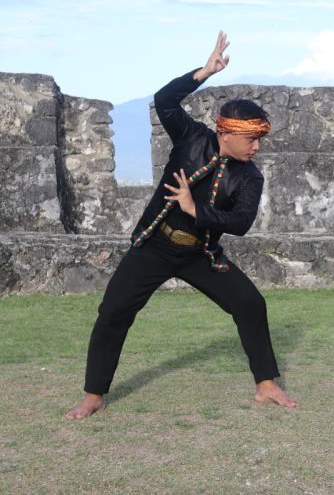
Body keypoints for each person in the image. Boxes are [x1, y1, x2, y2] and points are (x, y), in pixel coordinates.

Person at [66, 31, 296, 419]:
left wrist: (193, 209)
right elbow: (165, 101)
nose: (256, 147)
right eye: (251, 138)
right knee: (113, 312)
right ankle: (93, 394)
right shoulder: (191, 137)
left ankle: (266, 384)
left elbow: (240, 223)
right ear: (225, 132)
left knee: (251, 305)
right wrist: (204, 72)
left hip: (200, 254)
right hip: (154, 246)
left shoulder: (251, 176)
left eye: (260, 139)